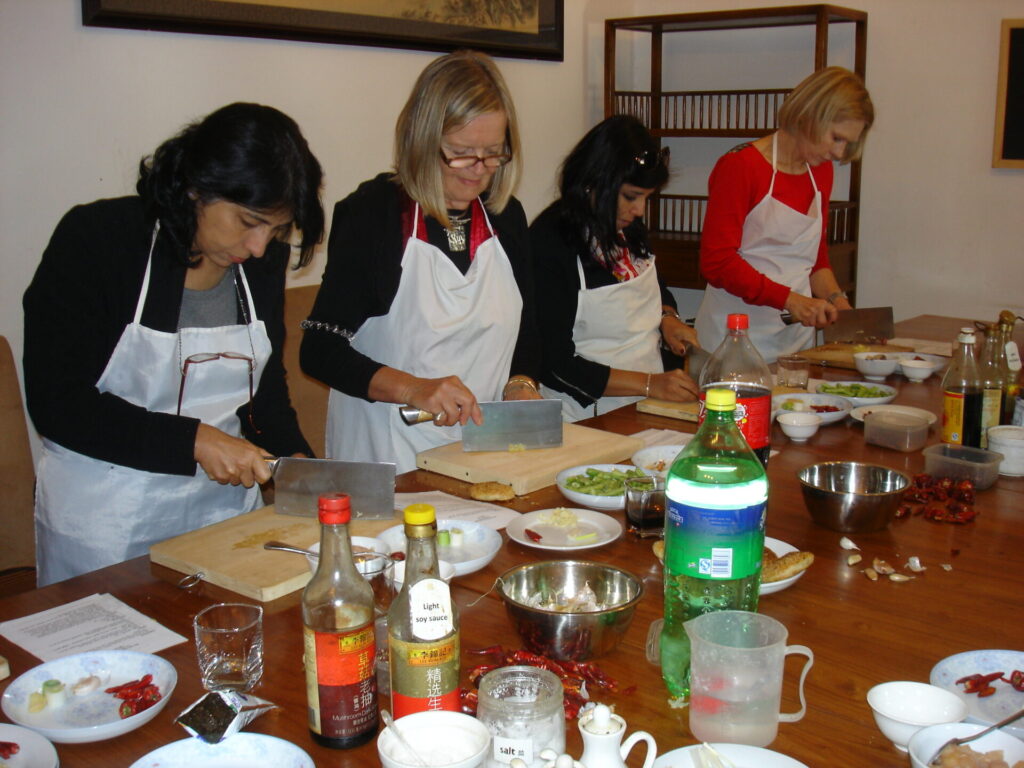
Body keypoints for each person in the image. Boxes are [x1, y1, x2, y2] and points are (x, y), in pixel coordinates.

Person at [23, 103, 323, 586]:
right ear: (195, 187)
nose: (260, 247)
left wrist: (298, 463)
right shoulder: (99, 241)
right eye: (248, 221)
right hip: (106, 527)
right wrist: (195, 439)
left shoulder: (261, 263)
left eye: (277, 228)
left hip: (223, 522)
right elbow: (58, 404)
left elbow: (263, 391)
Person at [300, 50, 540, 473]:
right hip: (387, 456)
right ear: (423, 140)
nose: (479, 171)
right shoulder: (374, 215)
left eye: (494, 153)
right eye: (462, 153)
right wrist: (414, 388)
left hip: (482, 452)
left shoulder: (506, 217)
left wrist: (520, 383)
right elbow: (320, 351)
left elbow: (526, 329)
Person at [695, 66, 874, 362]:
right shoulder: (741, 166)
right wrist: (791, 300)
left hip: (795, 343)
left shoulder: (821, 171)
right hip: (733, 340)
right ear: (810, 116)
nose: (840, 154)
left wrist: (837, 301)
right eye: (837, 138)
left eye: (848, 144)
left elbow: (814, 258)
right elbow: (717, 262)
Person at [529, 114, 700, 421]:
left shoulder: (627, 226)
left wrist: (668, 317)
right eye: (631, 197)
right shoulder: (551, 241)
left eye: (646, 198)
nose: (639, 210)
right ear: (595, 181)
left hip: (645, 403)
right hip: (584, 415)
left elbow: (652, 282)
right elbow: (553, 362)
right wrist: (648, 384)